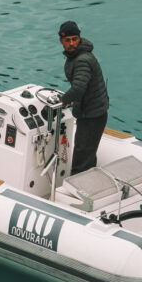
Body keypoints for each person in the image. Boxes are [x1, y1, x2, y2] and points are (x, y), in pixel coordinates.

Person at [58, 21, 109, 175]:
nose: (72, 43)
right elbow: (83, 87)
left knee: (81, 158)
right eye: (67, 40)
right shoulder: (78, 55)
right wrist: (72, 100)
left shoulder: (82, 60)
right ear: (61, 41)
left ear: (79, 38)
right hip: (93, 111)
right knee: (87, 154)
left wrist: (63, 100)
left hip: (92, 116)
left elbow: (79, 88)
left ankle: (78, 192)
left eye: (74, 39)